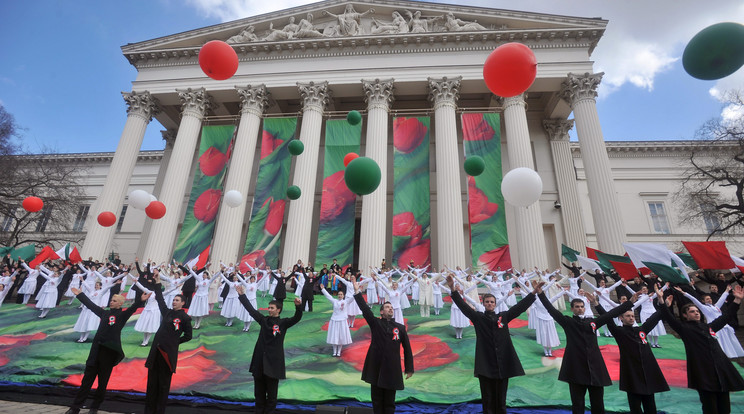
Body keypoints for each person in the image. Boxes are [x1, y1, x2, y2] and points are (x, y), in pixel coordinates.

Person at [447, 275, 542, 414]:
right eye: (487, 301)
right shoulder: (478, 318)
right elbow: (464, 307)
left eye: (492, 301)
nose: (490, 303)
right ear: (483, 303)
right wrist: (452, 289)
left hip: (503, 364)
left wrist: (534, 293)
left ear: (495, 304)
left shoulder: (503, 317)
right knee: (488, 400)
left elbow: (519, 307)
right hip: (485, 365)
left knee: (501, 400)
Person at [539, 288, 635, 414]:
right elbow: (551, 310)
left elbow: (610, 314)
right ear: (572, 308)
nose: (580, 308)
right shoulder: (568, 322)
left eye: (582, 306)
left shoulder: (592, 323)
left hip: (595, 369)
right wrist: (540, 294)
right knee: (578, 405)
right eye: (577, 306)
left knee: (598, 405)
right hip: (576, 370)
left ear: (585, 308)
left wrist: (630, 302)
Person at [658, 284, 744, 414]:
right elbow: (670, 319)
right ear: (685, 315)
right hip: (703, 373)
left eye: (697, 311)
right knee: (710, 407)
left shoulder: (708, 327)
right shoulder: (683, 328)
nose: (696, 313)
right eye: (692, 311)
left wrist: (737, 300)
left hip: (720, 370)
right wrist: (662, 302)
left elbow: (725, 317)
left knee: (725, 407)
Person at [64, 287, 148, 414]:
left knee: (102, 383)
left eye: (114, 301)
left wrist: (140, 301)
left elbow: (132, 309)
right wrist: (80, 295)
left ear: (120, 303)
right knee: (86, 381)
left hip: (108, 354)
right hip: (96, 352)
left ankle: (94, 408)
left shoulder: (122, 315)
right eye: (111, 300)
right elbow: (91, 305)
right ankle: (75, 407)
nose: (111, 302)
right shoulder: (104, 313)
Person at [596, 289, 670, 414]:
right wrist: (596, 304)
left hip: (647, 372)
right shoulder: (619, 332)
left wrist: (663, 303)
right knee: (635, 407)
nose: (631, 318)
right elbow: (607, 319)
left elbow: (655, 318)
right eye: (628, 316)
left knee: (651, 405)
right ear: (621, 318)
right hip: (632, 374)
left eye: (632, 316)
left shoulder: (641, 330)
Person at [236, 285, 303, 414]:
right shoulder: (263, 320)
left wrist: (298, 307)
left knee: (272, 397)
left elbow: (297, 318)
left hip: (273, 364)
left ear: (278, 310)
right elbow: (251, 310)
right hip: (259, 362)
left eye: (272, 308)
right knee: (259, 395)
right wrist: (242, 295)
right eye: (269, 307)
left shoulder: (283, 323)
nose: (269, 309)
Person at [352, 278, 413, 414]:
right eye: (387, 307)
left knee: (390, 403)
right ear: (381, 312)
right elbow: (365, 309)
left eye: (391, 308)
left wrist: (409, 368)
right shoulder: (376, 324)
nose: (390, 309)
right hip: (376, 367)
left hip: (392, 369)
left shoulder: (400, 328)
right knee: (377, 401)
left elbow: (407, 349)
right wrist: (357, 292)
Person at [144, 279, 193, 414]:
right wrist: (157, 284)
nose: (174, 301)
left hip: (167, 355)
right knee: (152, 384)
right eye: (174, 300)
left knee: (163, 385)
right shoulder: (167, 312)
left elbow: (188, 336)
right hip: (156, 353)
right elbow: (160, 300)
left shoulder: (185, 318)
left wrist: (174, 342)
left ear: (183, 303)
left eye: (177, 300)